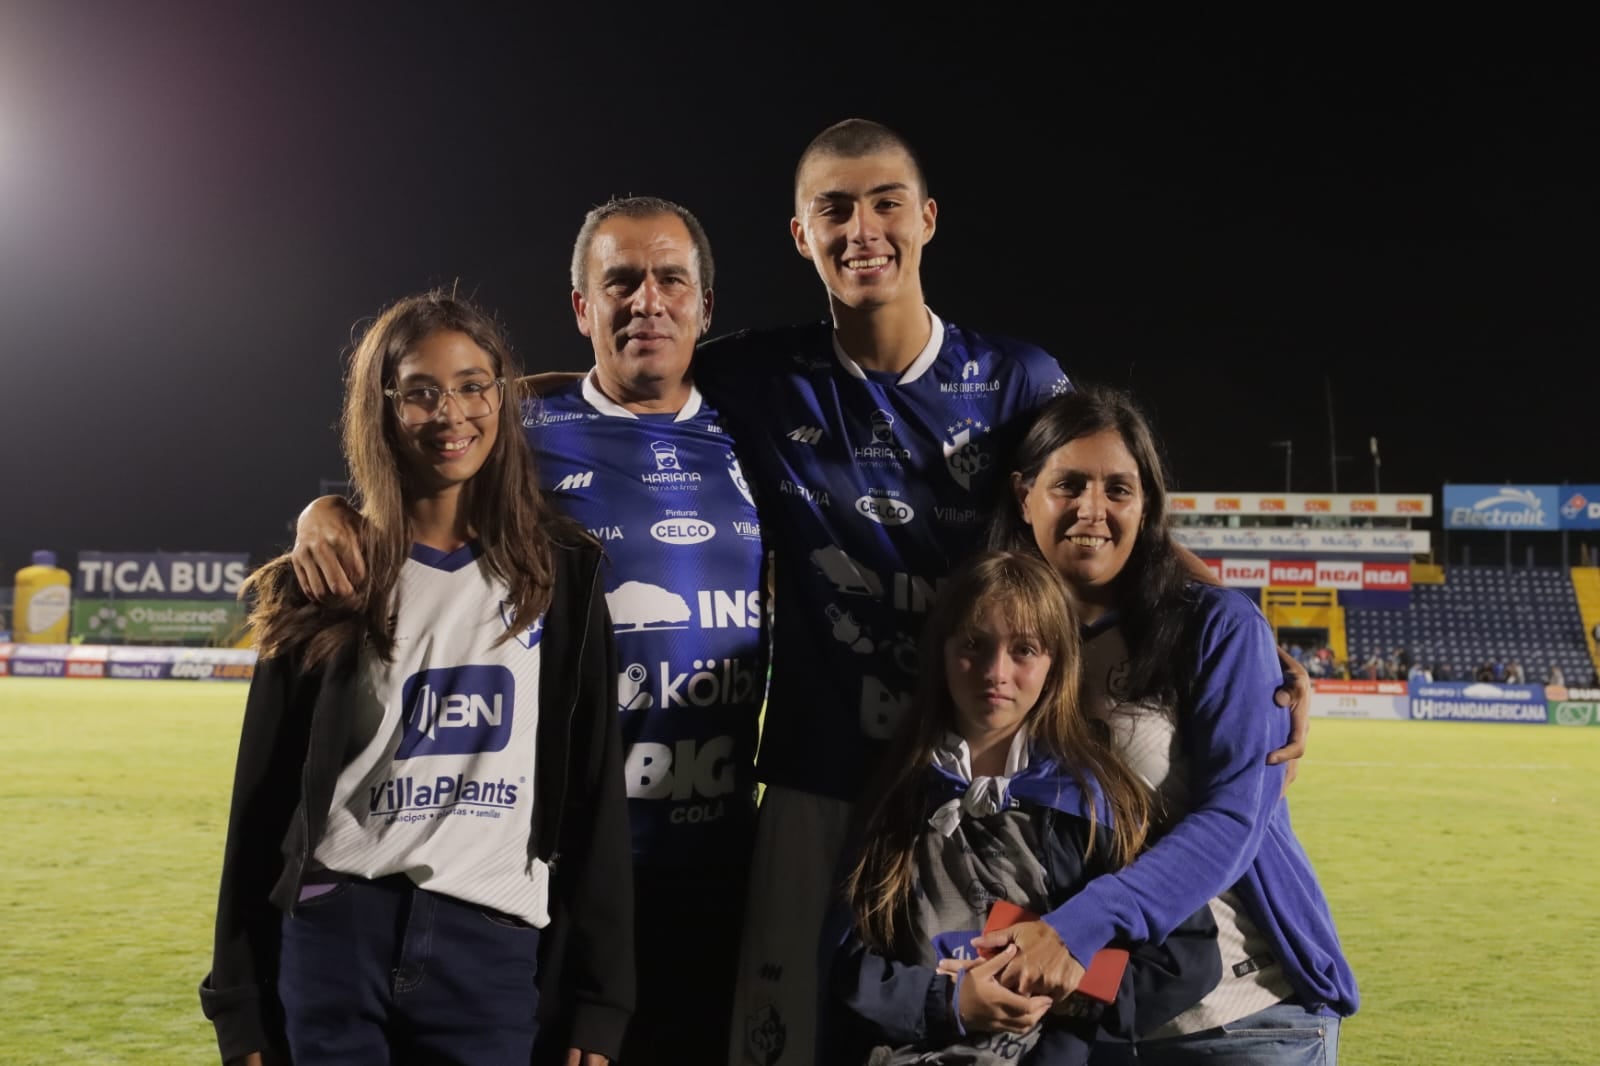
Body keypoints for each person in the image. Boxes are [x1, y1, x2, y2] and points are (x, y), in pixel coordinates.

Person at [288, 199, 767, 1063]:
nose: (646, 301)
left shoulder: (762, 433)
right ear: (583, 307)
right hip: (561, 864)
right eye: (619, 281)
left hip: (721, 860)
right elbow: (414, 451)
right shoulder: (522, 426)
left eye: (671, 281)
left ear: (704, 305)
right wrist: (327, 510)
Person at [199, 291, 633, 1066]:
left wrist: (602, 1000)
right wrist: (238, 1001)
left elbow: (595, 792)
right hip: (337, 936)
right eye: (420, 392)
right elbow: (261, 800)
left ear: (502, 395)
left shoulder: (563, 574)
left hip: (490, 948)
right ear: (382, 407)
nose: (451, 412)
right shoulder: (329, 574)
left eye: (472, 385)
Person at [983, 383, 1357, 1063]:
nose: (1092, 510)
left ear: (1147, 505)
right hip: (1073, 1024)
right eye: (1069, 484)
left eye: (1119, 490)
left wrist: (1076, 928)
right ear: (1023, 494)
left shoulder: (1215, 626)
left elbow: (1233, 819)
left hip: (1243, 1023)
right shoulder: (996, 643)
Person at [823, 550, 1220, 1065]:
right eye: (973, 644)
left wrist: (1064, 990)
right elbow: (850, 965)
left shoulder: (1103, 801)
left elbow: (1188, 957)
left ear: (1056, 662)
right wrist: (949, 1002)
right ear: (939, 652)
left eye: (1024, 649)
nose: (996, 671)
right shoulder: (891, 796)